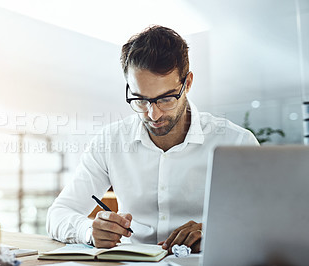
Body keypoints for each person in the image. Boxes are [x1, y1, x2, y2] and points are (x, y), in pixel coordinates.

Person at [46, 25, 259, 253]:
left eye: (166, 99)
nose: (152, 114)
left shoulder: (235, 142)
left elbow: (265, 222)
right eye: (140, 100)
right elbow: (58, 214)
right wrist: (89, 230)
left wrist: (215, 232)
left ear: (187, 84)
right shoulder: (110, 141)